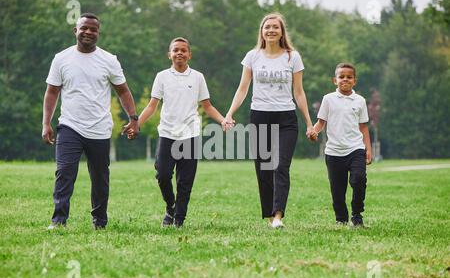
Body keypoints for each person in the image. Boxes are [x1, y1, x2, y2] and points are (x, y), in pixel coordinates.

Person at [42, 13, 139, 230]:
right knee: (64, 172)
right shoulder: (61, 58)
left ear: (98, 33)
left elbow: (123, 91)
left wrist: (134, 119)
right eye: (84, 28)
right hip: (69, 126)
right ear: (75, 31)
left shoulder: (109, 60)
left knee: (100, 179)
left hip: (99, 129)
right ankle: (58, 221)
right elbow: (51, 92)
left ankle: (100, 221)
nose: (88, 32)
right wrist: (46, 123)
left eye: (93, 29)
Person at [222, 13, 316, 229]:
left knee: (281, 166)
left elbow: (299, 92)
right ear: (262, 32)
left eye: (275, 27)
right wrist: (229, 113)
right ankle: (268, 214)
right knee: (264, 167)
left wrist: (309, 123)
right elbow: (243, 88)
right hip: (260, 116)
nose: (271, 30)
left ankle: (278, 216)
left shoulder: (293, 57)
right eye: (267, 27)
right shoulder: (253, 56)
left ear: (282, 31)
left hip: (286, 118)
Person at [125, 37, 225, 228]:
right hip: (167, 134)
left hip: (190, 134)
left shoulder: (198, 77)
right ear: (169, 54)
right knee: (162, 175)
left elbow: (208, 106)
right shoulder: (162, 76)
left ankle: (178, 220)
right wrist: (136, 123)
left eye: (183, 50)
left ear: (189, 55)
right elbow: (152, 105)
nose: (179, 53)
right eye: (175, 50)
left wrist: (223, 120)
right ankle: (171, 207)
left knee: (185, 182)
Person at [313, 62, 372, 227]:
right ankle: (341, 219)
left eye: (349, 77)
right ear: (335, 80)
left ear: (355, 81)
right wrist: (314, 131)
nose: (345, 79)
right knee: (337, 190)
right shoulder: (328, 99)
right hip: (333, 152)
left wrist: (368, 149)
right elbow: (321, 123)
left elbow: (363, 127)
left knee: (358, 179)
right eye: (341, 77)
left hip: (356, 148)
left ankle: (357, 214)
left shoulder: (360, 101)